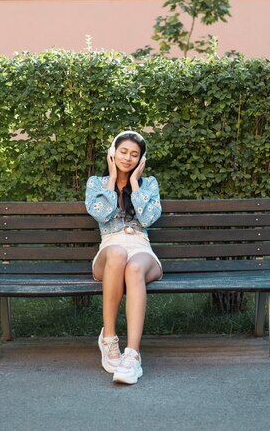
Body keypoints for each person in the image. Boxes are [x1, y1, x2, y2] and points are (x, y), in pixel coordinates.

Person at [85, 130, 163, 385]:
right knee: (118, 254)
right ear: (112, 152)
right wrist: (112, 181)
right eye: (123, 152)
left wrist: (136, 183)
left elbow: (149, 218)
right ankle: (109, 339)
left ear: (141, 160)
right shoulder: (96, 183)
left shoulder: (149, 184)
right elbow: (100, 213)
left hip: (142, 248)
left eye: (134, 154)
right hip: (109, 249)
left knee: (134, 268)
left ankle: (132, 355)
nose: (128, 158)